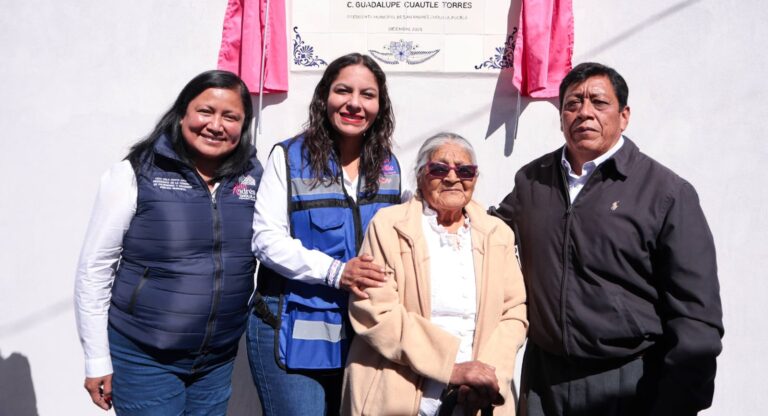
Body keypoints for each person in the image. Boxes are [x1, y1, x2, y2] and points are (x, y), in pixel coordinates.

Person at [491, 62, 724, 416]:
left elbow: (696, 315)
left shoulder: (666, 193)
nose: (584, 112)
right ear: (561, 117)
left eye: (598, 103)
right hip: (543, 381)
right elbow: (483, 237)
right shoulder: (532, 181)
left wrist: (679, 400)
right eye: (572, 103)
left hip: (629, 381)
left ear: (624, 115)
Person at [74, 70, 263, 414]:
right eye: (205, 111)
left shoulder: (253, 176)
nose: (216, 125)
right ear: (182, 113)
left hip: (216, 361)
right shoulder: (135, 173)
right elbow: (95, 268)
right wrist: (96, 358)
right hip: (145, 357)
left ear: (243, 124)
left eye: (230, 116)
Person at [248, 52, 401, 415]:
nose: (354, 103)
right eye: (343, 91)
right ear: (324, 97)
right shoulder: (288, 157)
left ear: (380, 105)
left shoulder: (389, 167)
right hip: (292, 327)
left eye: (367, 94)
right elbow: (265, 240)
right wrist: (336, 272)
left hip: (361, 335)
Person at [342, 132, 528, 416]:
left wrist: (485, 375)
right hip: (399, 389)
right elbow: (374, 310)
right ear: (420, 176)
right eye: (439, 169)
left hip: (475, 398)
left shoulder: (497, 234)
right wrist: (450, 369)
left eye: (465, 170)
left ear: (475, 179)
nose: (453, 177)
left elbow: (513, 312)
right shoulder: (388, 226)